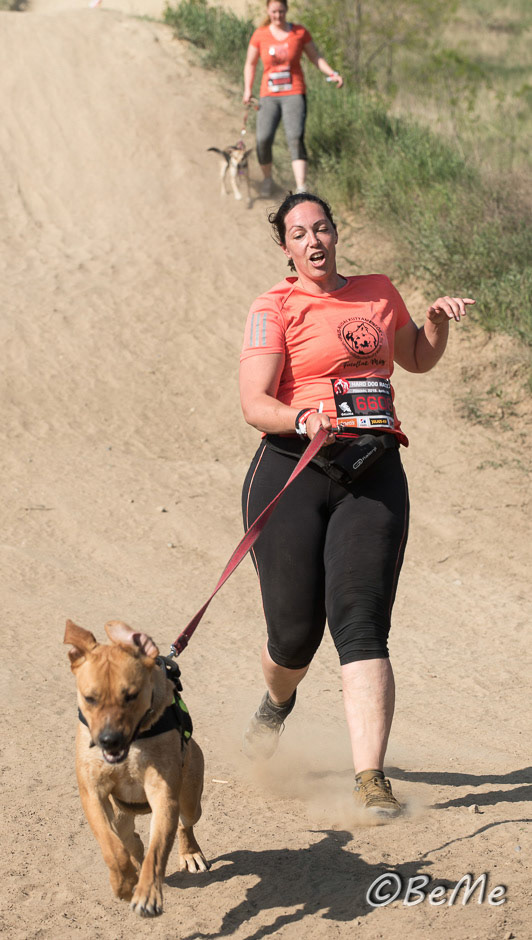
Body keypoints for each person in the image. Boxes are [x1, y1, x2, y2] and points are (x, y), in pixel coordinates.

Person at [239, 192, 474, 818]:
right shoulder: (274, 306)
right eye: (298, 233)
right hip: (293, 469)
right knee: (294, 636)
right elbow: (255, 402)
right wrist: (302, 416)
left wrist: (435, 322)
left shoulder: (377, 291)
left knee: (362, 621)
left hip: (372, 473)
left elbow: (416, 358)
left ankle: (370, 778)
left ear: (336, 234)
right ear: (286, 247)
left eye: (321, 228)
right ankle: (277, 704)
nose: (313, 240)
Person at [242, 0, 343, 197]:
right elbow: (250, 63)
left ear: (287, 10)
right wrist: (247, 90)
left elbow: (316, 57)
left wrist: (332, 73)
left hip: (294, 92)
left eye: (281, 11)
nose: (277, 15)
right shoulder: (260, 35)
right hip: (268, 95)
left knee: (295, 137)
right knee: (263, 139)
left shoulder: (299, 32)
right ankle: (268, 179)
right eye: (274, 11)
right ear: (268, 11)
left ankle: (301, 187)